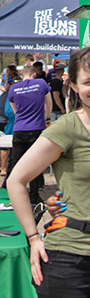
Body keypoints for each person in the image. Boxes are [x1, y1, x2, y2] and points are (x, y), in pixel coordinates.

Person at [7, 44, 90, 298]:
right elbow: (16, 180)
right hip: (67, 259)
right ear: (72, 85)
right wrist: (34, 238)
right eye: (88, 82)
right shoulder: (67, 128)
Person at [3, 65, 51, 205]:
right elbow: (49, 104)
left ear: (22, 76)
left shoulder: (13, 88)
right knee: (35, 164)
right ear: (34, 74)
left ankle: (12, 193)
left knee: (16, 163)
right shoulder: (41, 83)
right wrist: (46, 118)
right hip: (37, 128)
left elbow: (14, 111)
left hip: (19, 129)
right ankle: (34, 195)